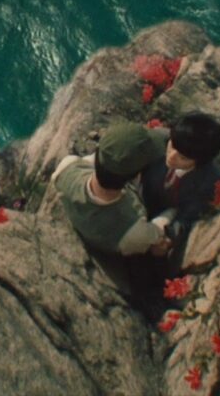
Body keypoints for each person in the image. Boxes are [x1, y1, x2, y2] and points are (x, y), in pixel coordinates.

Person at [51, 121, 172, 318]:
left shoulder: (66, 168)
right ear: (135, 175)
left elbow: (95, 161)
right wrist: (174, 209)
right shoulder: (135, 231)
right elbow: (161, 225)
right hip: (118, 245)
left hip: (97, 228)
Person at [140, 112, 220, 273]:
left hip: (169, 211)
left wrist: (168, 238)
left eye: (183, 158)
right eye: (172, 146)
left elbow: (187, 216)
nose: (172, 157)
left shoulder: (208, 181)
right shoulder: (157, 139)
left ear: (199, 162)